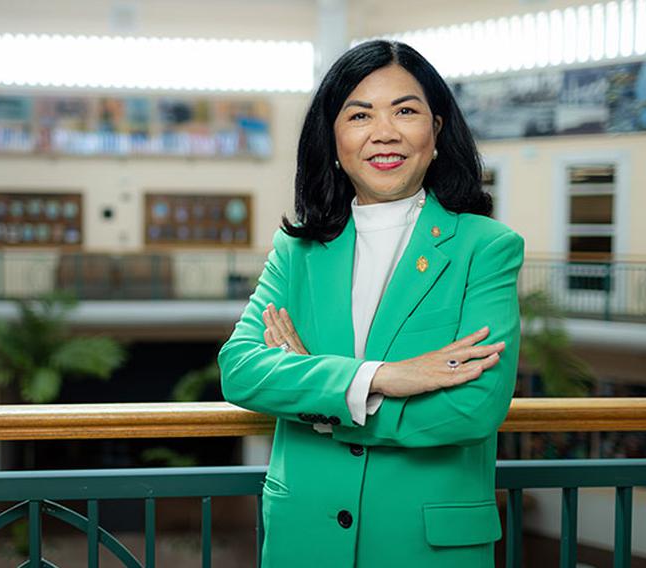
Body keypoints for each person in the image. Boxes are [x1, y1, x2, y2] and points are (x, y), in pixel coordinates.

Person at [218, 39, 525, 568]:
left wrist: (321, 400)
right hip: (304, 542)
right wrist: (382, 378)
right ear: (333, 139)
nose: (385, 132)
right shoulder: (298, 251)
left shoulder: (486, 247)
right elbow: (241, 371)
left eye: (405, 111)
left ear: (437, 131)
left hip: (427, 548)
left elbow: (473, 407)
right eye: (360, 114)